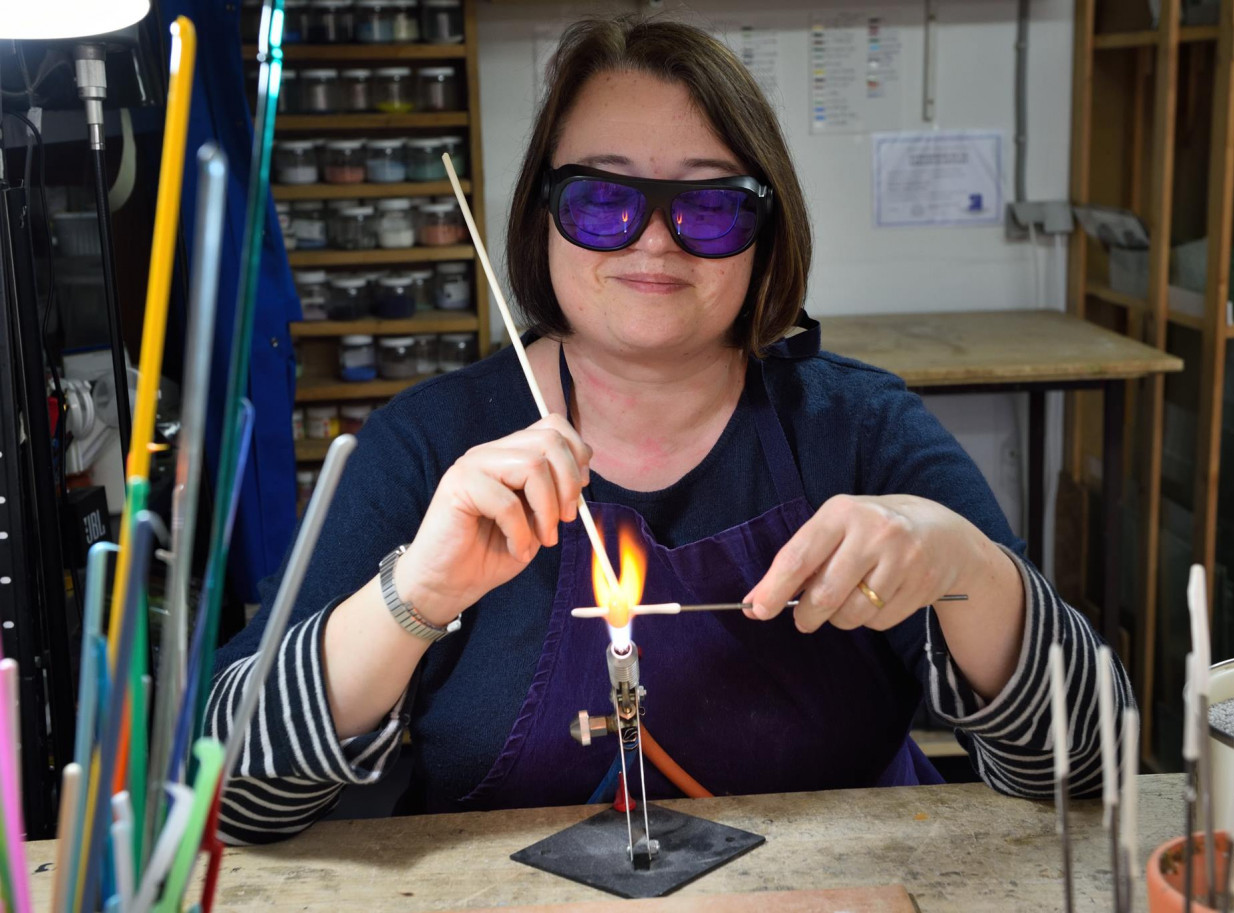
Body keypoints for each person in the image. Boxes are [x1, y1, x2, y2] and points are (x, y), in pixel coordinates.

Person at [208, 15, 1132, 845]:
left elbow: (1089, 771)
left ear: (766, 232)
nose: (655, 241)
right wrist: (414, 595)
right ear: (543, 218)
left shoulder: (858, 431)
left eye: (711, 204)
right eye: (602, 200)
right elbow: (231, 795)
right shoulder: (426, 444)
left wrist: (970, 569)